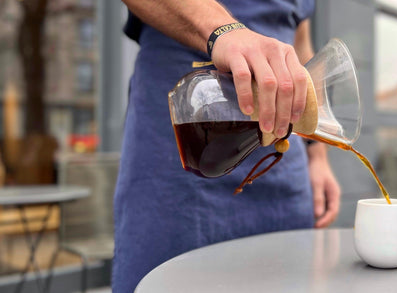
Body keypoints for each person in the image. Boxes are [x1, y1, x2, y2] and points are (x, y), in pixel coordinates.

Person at [115, 0, 341, 292]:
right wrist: (223, 32)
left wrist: (317, 154)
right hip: (186, 135)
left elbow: (299, 43)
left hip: (282, 167)